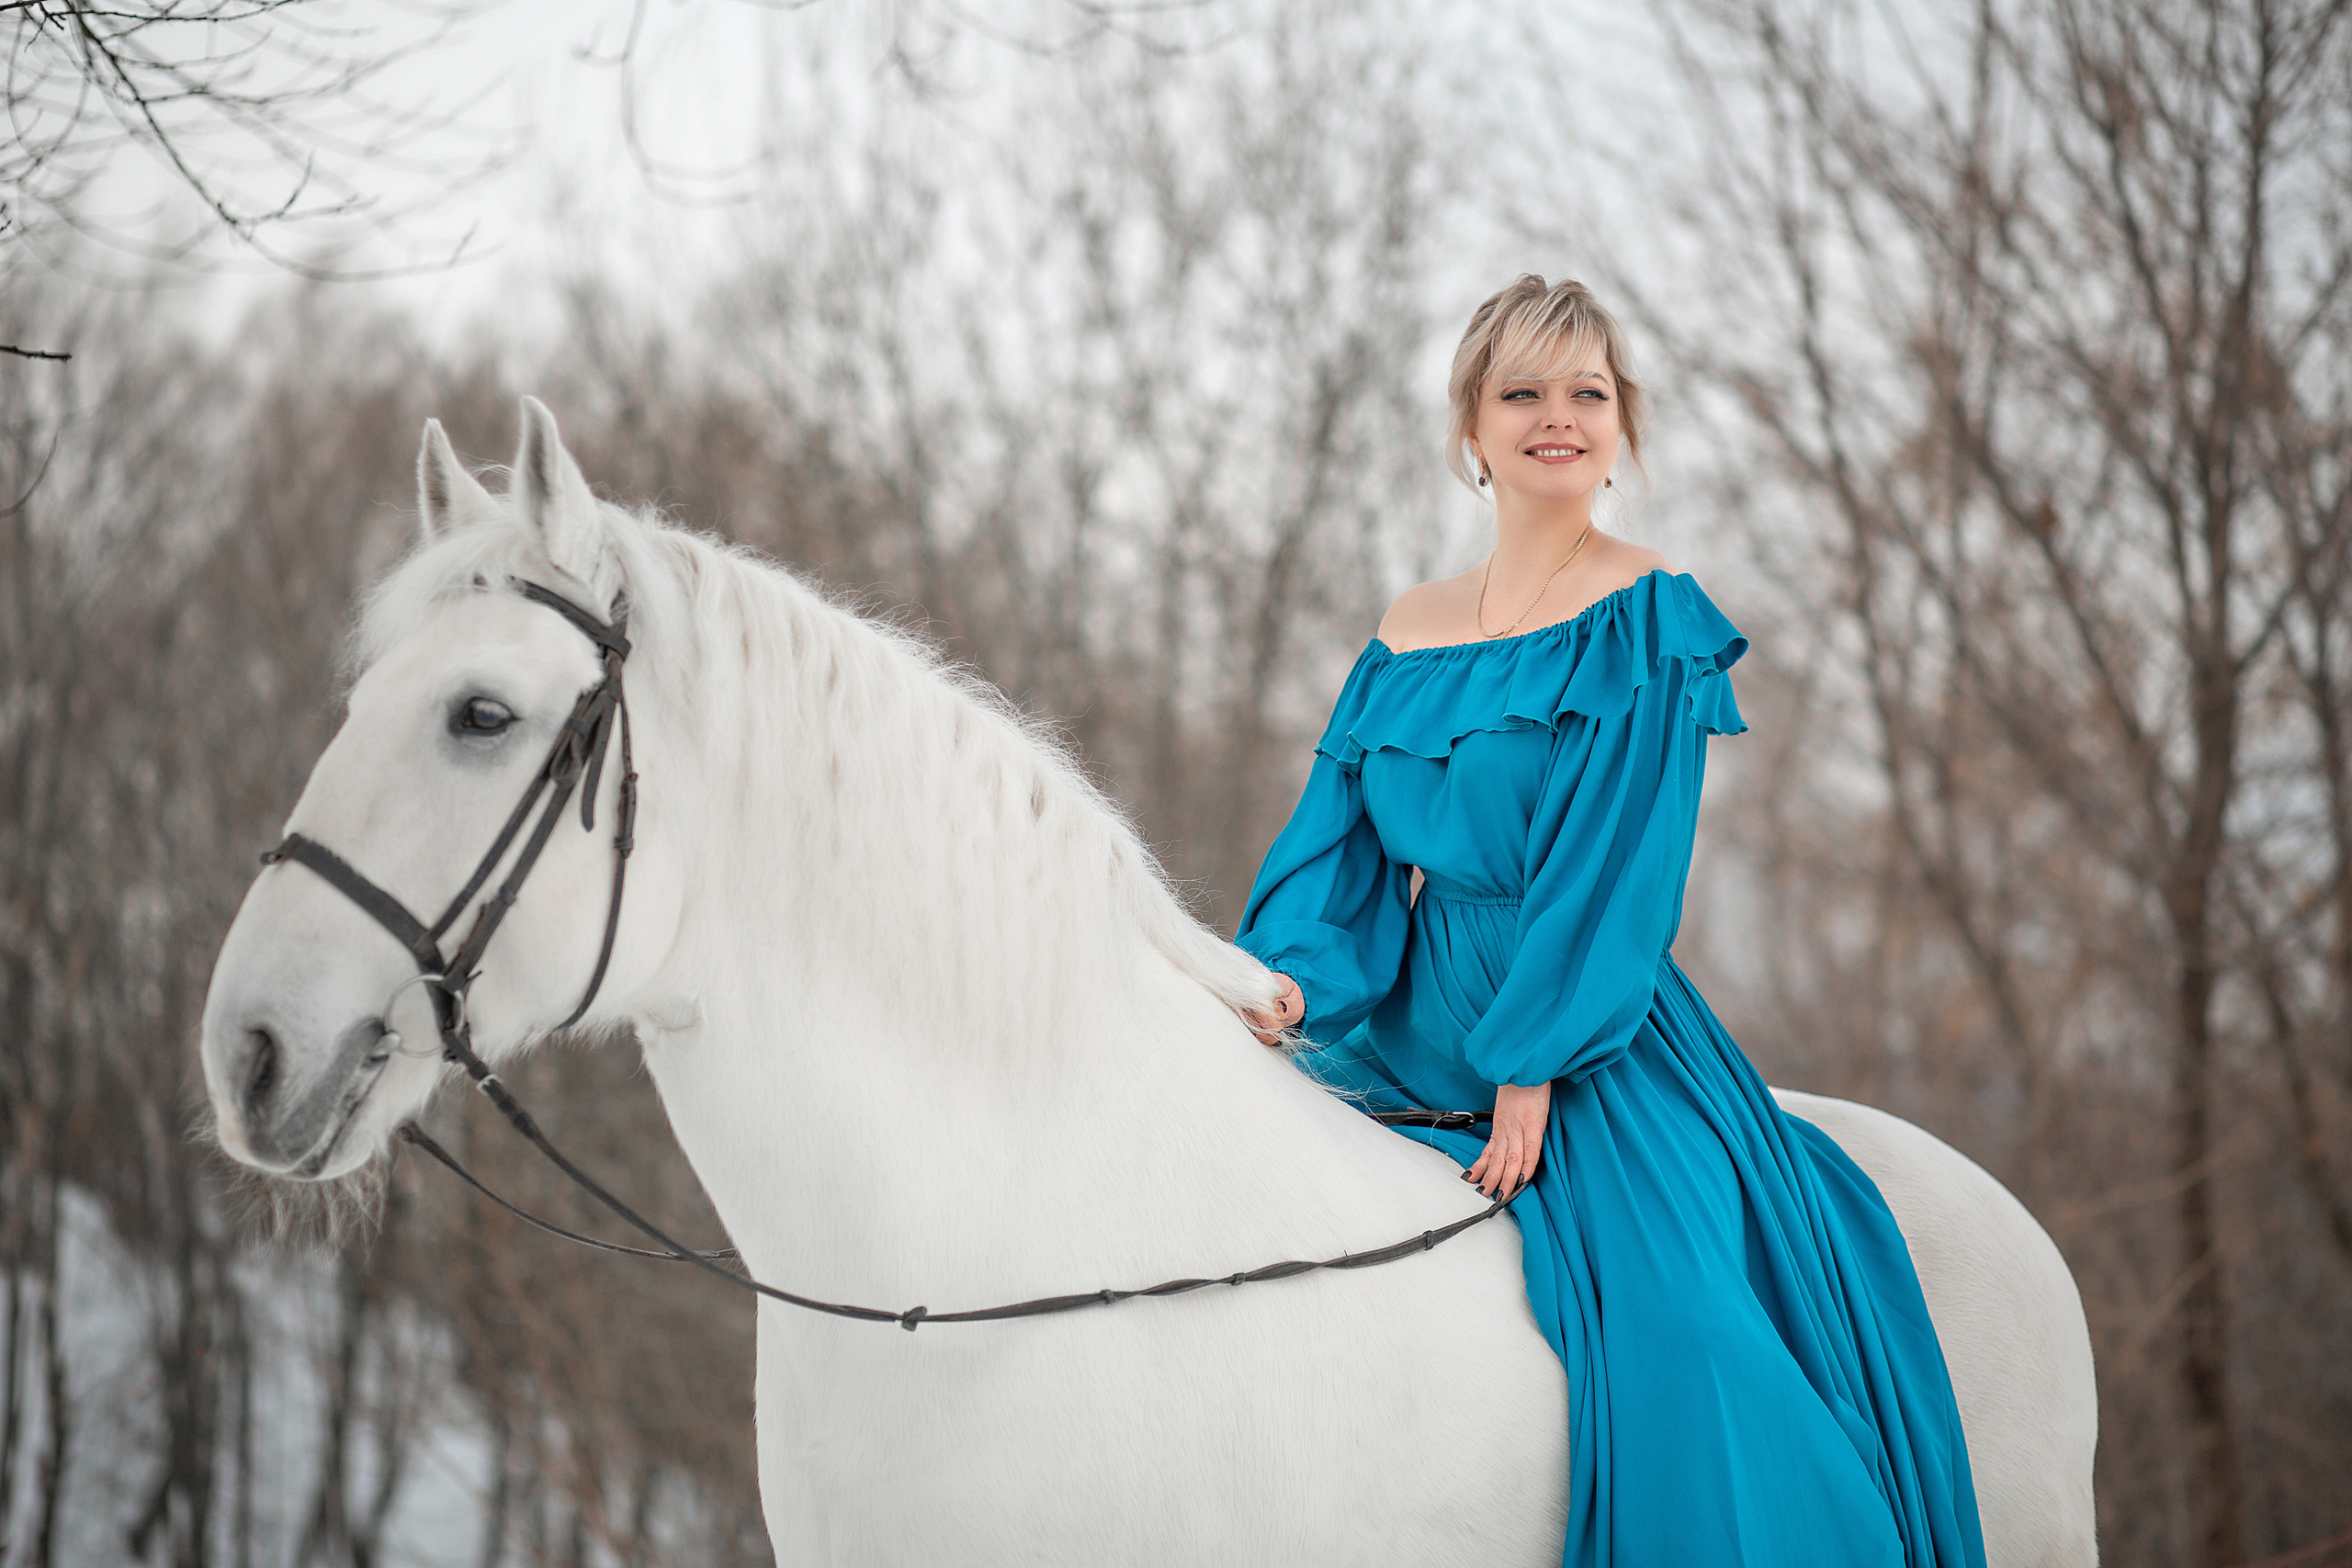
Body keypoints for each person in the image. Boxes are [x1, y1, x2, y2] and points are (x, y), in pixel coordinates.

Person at [1234, 276, 1987, 1568]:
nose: (1557, 417)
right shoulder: (1401, 636)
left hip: (1590, 1027)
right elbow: (1336, 849)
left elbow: (1616, 867)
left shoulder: (1645, 614)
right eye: (1521, 391)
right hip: (1413, 1016)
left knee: (1687, 1326)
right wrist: (1291, 987)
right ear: (1471, 429)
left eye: (1587, 391)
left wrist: (1531, 1062)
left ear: (1622, 424)